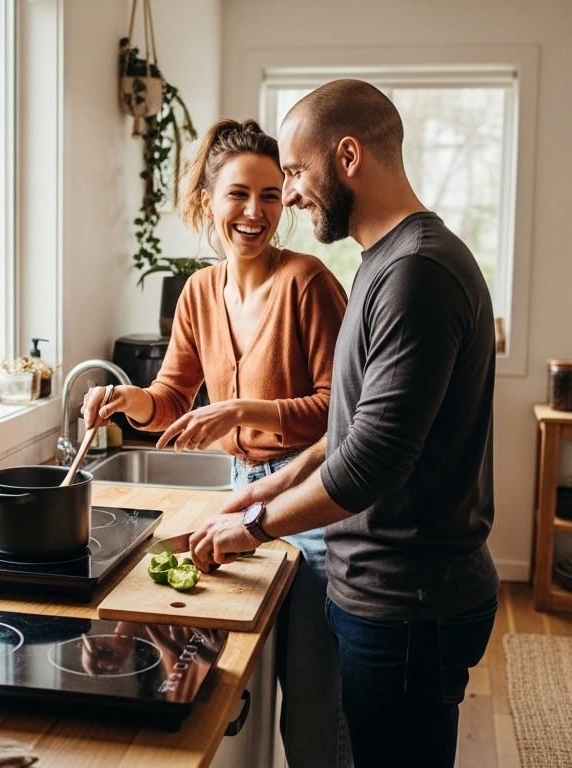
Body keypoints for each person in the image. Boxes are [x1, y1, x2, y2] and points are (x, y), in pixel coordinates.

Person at [187, 80, 499, 768]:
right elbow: (351, 430)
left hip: (410, 599)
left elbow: (374, 464)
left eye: (295, 173)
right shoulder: (382, 265)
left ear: (348, 155)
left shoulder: (416, 271)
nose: (290, 195)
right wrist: (259, 493)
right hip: (387, 592)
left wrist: (253, 527)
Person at [83, 118, 353, 768]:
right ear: (209, 201)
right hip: (242, 493)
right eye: (238, 194)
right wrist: (125, 399)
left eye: (269, 194)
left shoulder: (309, 283)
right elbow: (170, 399)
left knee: (313, 710)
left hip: (315, 504)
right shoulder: (199, 292)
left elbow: (344, 416)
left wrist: (238, 409)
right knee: (224, 665)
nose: (255, 212)